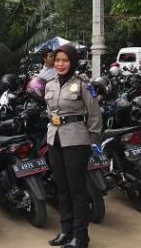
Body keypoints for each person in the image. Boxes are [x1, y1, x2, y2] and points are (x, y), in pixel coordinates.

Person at [44, 44, 101, 248]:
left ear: (72, 62)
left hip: (76, 139)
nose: (60, 64)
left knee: (77, 190)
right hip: (54, 139)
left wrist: (93, 140)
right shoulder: (49, 84)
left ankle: (80, 236)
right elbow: (50, 111)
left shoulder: (84, 84)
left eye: (65, 60)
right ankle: (66, 231)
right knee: (62, 188)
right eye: (57, 60)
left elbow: (94, 113)